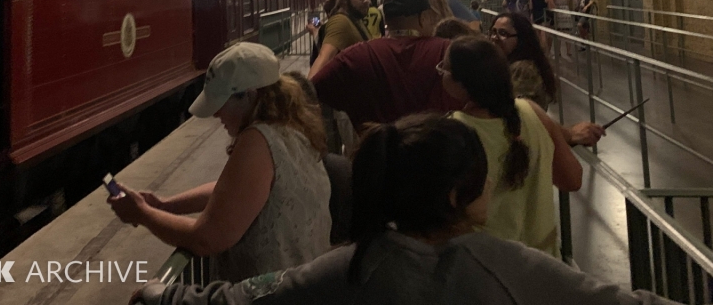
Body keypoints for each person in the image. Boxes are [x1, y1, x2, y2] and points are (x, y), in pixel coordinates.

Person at [134, 114, 675, 305]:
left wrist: (157, 296)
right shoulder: (510, 269)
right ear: (457, 196)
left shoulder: (344, 269)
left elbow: (241, 298)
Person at [108, 43, 331, 282]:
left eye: (221, 104)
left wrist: (142, 214)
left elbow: (206, 238)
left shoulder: (258, 139)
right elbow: (235, 190)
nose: (216, 114)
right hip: (300, 285)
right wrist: (164, 205)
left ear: (249, 95)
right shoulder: (291, 126)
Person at [440, 37, 582, 256]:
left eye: (444, 69)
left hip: (488, 264)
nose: (440, 72)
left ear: (460, 82)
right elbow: (572, 179)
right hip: (544, 261)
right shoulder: (533, 111)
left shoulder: (454, 130)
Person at [311, 0, 462, 129]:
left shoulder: (358, 54)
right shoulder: (449, 50)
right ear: (423, 17)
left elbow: (314, 87)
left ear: (387, 19)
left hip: (379, 151)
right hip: (440, 149)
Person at [490, 13, 604, 147]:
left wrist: (569, 134)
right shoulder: (505, 64)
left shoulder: (522, 69)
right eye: (493, 32)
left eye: (503, 33)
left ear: (521, 39)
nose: (494, 38)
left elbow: (523, 118)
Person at [309, 0, 371, 78]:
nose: (367, 1)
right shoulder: (340, 22)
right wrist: (306, 92)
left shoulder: (356, 18)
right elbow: (323, 61)